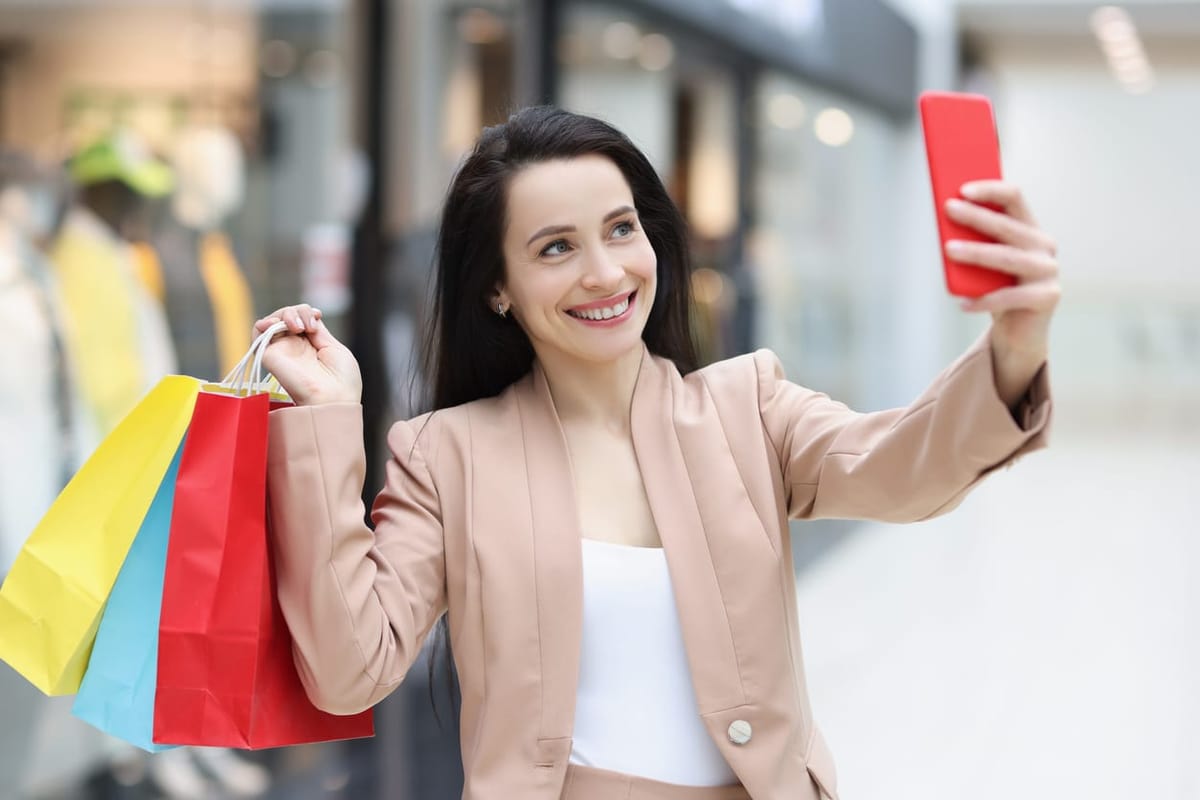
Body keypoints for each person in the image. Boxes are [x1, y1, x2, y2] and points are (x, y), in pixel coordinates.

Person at [257, 106, 1057, 800]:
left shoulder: (750, 407)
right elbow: (348, 671)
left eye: (620, 229)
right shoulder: (447, 456)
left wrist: (1013, 345)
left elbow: (901, 467)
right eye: (555, 248)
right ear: (498, 288)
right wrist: (326, 420)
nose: (606, 273)